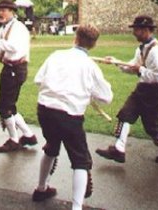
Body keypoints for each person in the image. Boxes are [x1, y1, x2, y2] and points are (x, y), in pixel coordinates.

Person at [31, 24, 113, 209]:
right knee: (80, 160)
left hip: (45, 110)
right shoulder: (90, 66)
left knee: (52, 146)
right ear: (93, 45)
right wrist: (89, 92)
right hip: (69, 115)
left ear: (75, 38)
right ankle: (76, 207)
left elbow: (38, 80)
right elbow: (107, 97)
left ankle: (41, 188)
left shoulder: (56, 55)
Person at [95, 15, 158, 164]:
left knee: (151, 128)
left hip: (155, 93)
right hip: (142, 88)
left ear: (145, 30)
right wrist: (115, 62)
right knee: (125, 114)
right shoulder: (142, 48)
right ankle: (119, 149)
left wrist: (141, 70)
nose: (134, 33)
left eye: (136, 30)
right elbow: (133, 66)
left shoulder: (156, 51)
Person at [0, 0, 37, 153]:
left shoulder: (18, 28)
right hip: (8, 68)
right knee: (10, 106)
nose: (1, 13)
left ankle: (14, 140)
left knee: (4, 107)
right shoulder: (4, 28)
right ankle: (28, 135)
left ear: (12, 12)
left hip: (17, 69)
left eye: (4, 10)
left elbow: (12, 47)